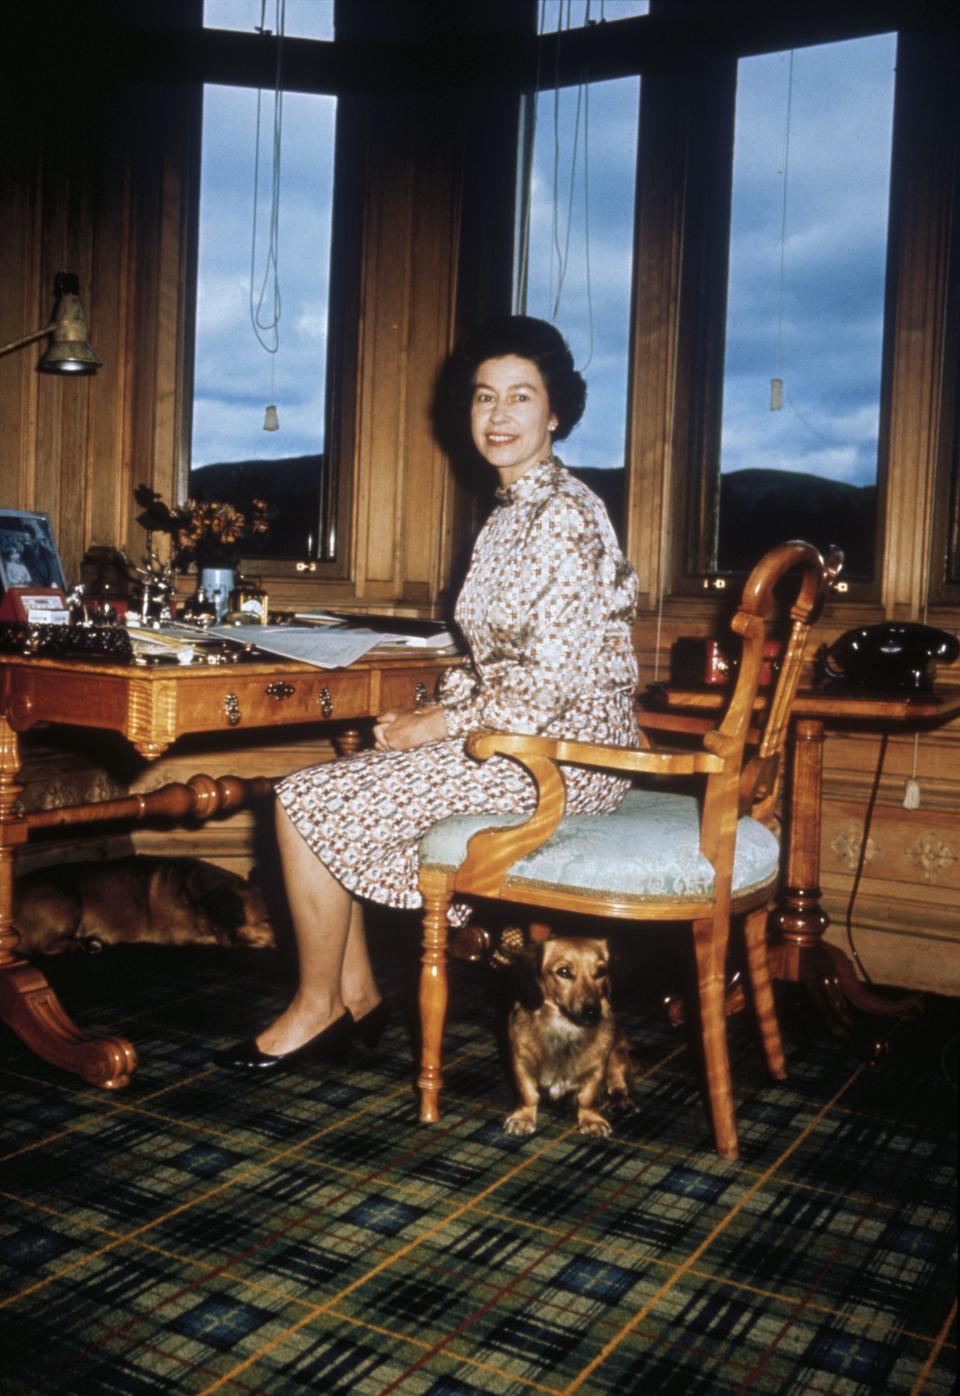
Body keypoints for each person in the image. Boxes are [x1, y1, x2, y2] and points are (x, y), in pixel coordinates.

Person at [213, 315, 640, 1072]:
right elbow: (500, 662)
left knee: (303, 800)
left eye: (520, 398)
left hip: (565, 758)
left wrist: (434, 725)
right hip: (521, 735)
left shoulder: (564, 517)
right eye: (484, 398)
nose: (498, 416)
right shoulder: (515, 512)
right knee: (318, 791)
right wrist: (430, 710)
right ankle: (358, 998)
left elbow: (544, 689)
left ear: (557, 414)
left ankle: (318, 1010)